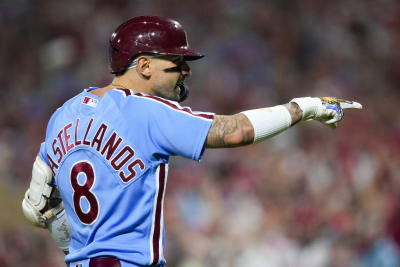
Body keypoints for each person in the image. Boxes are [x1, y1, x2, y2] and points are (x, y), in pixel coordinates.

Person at [21, 16, 362, 267]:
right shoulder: (146, 111)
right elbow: (236, 130)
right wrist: (303, 108)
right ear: (143, 66)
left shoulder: (64, 114)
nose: (185, 71)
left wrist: (77, 242)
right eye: (176, 62)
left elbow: (36, 206)